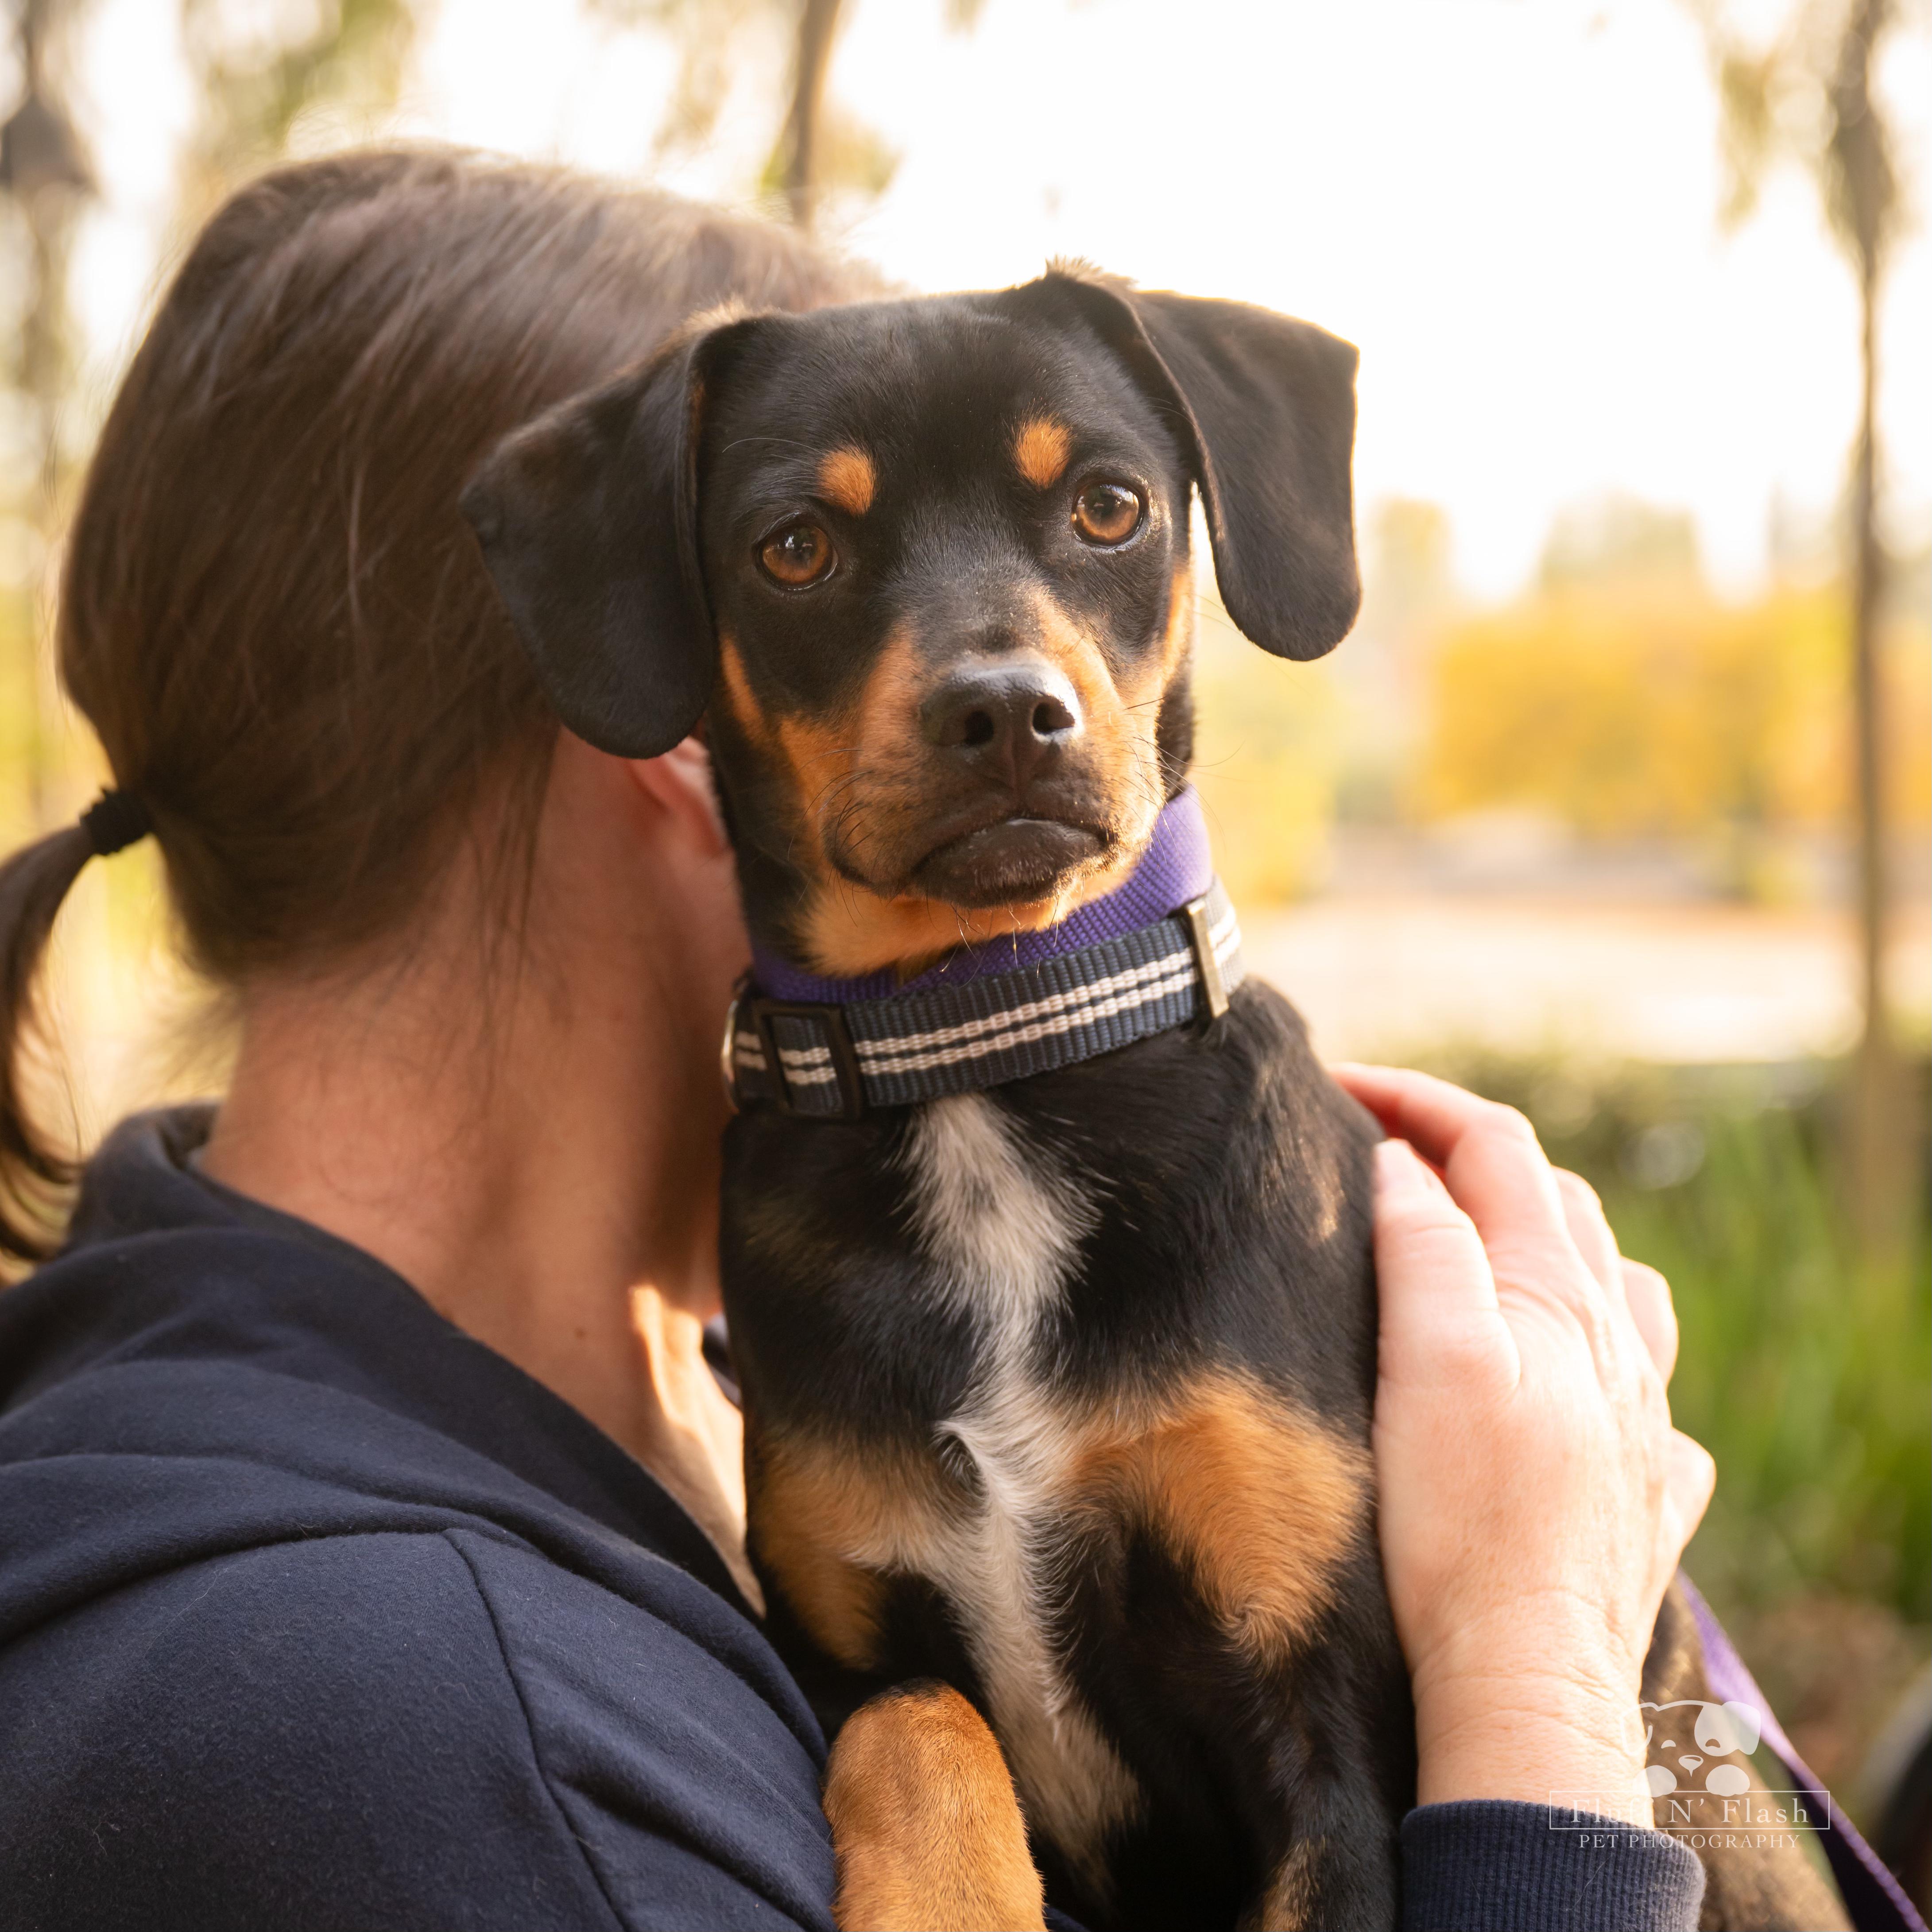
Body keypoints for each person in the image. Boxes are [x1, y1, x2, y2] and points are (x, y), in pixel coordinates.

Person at [0, 149, 1716, 1932]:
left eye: (1090, 516)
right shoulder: (466, 1750)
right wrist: (1544, 1690)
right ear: (661, 712)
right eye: (806, 549)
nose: (997, 668)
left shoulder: (247, 1390)